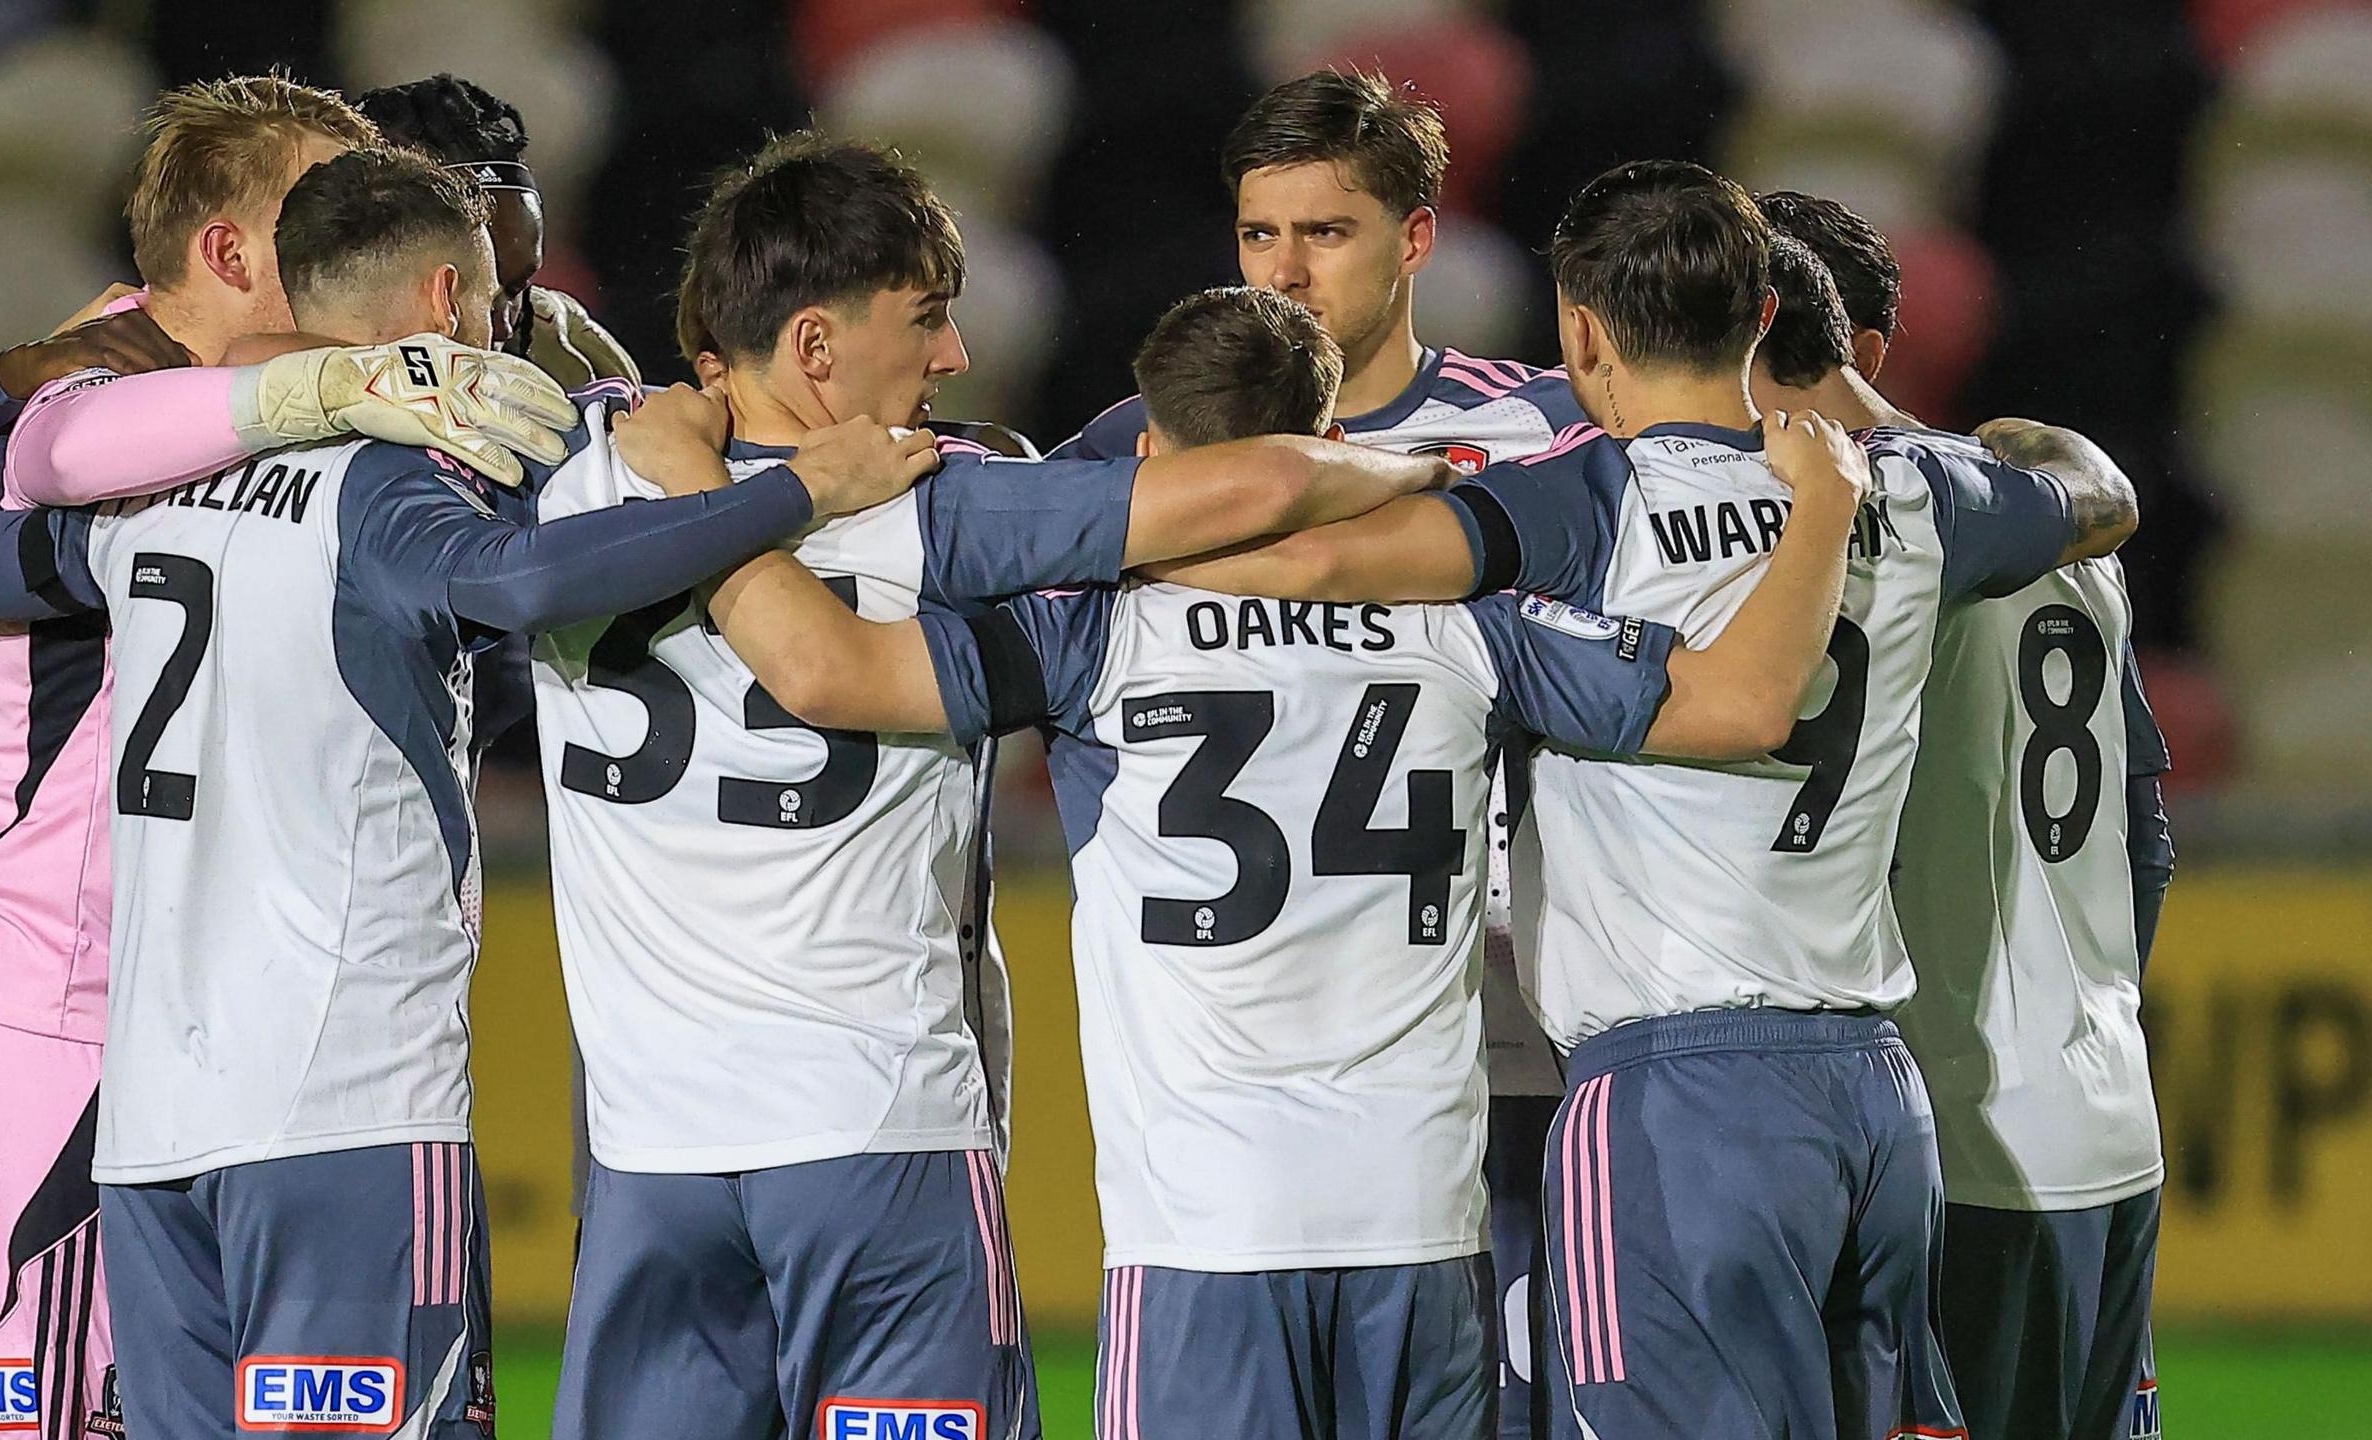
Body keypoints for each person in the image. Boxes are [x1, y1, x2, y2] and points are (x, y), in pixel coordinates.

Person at [663, 282, 1868, 1439]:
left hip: (1204, 1231)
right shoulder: (1468, 621)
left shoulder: (1092, 619)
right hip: (1418, 1220)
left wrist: (695, 500)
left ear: (1151, 465)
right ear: (1335, 435)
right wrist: (1824, 509)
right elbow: (1734, 704)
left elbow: (831, 671)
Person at [0, 145, 924, 1439]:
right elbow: (523, 581)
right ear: (445, 299)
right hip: (344, 1103)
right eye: (495, 292)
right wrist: (786, 490)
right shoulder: (390, 486)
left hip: (155, 1130)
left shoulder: (144, 477)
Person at [534, 131, 1478, 1440]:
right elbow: (1259, 480)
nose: (954, 357)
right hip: (880, 1136)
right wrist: (1429, 471)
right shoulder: (947, 503)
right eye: (926, 321)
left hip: (645, 1160)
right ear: (816, 350)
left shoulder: (570, 483)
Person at [0, 75, 459, 1440]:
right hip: (51, 1016)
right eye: (318, 216)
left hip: (180, 1039)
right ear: (234, 254)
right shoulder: (98, 407)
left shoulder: (234, 410)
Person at [1052, 75, 1604, 1427]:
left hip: (1522, 1037)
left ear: (1418, 241)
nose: (1285, 274)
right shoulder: (1145, 446)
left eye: (1327, 234)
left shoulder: (1541, 428)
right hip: (1278, 1057)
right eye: (1258, 237)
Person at [1753, 194, 2177, 1440]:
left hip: (1957, 1129)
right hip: (2106, 1118)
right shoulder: (2064, 526)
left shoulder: (1855, 542)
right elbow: (2143, 835)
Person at [357, 71, 641, 388]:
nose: (503, 327)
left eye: (517, 288)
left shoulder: (567, 365)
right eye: (464, 287)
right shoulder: (301, 380)